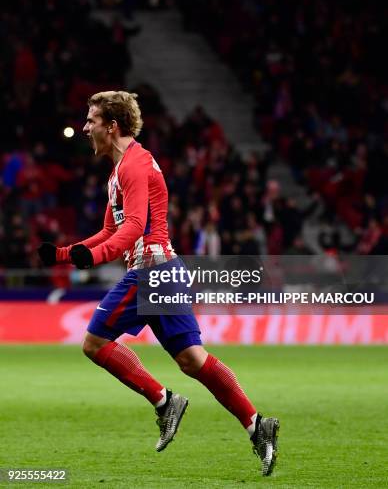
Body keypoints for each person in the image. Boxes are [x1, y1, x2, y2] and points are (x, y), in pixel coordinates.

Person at [38, 90, 279, 477]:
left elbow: (133, 227)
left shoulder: (133, 166)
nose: (85, 128)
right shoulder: (123, 169)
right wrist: (65, 254)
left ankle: (164, 401)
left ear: (111, 125)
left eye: (91, 121)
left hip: (151, 271)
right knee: (192, 360)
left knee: (94, 343)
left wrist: (94, 257)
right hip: (165, 270)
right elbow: (109, 230)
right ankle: (257, 425)